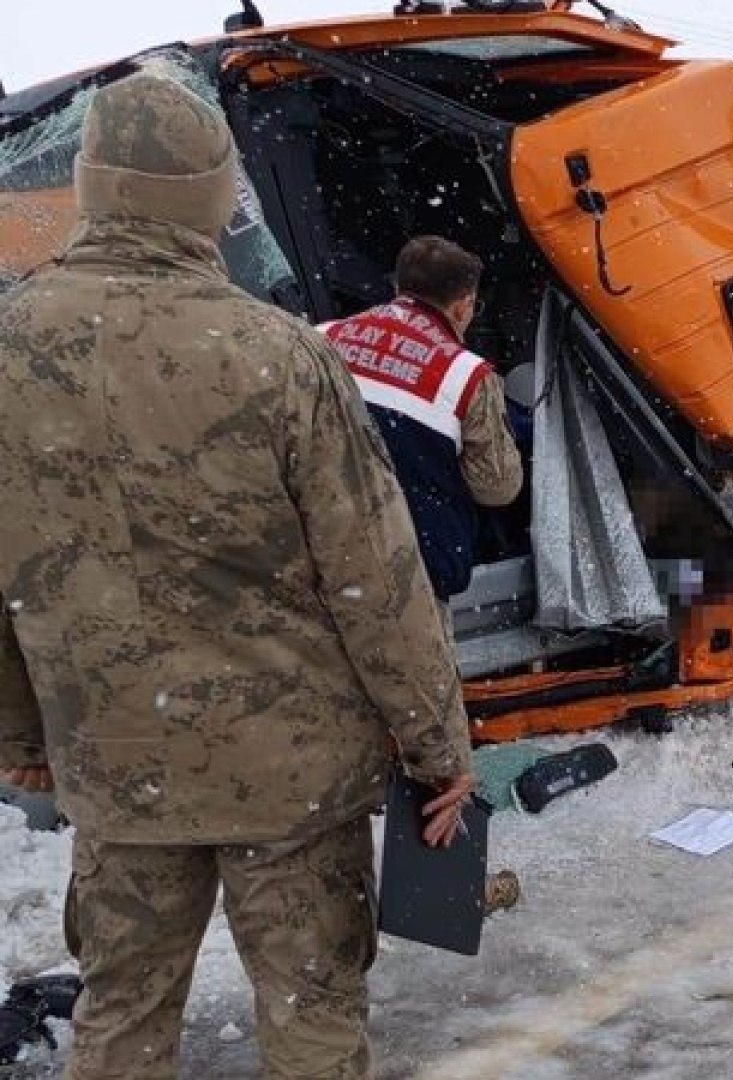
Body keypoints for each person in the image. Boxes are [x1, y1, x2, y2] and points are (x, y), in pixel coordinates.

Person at [0, 73, 475, 1079]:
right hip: (292, 775)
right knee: (311, 1015)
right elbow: (377, 580)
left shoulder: (10, 350)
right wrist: (439, 747)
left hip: (119, 762)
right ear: (214, 199)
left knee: (120, 1014)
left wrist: (21, 737)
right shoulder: (279, 355)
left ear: (91, 186)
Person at [322, 236, 523, 602]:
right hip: (413, 572)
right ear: (464, 307)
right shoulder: (469, 375)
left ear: (398, 287)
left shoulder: (324, 337)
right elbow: (497, 488)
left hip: (325, 550)